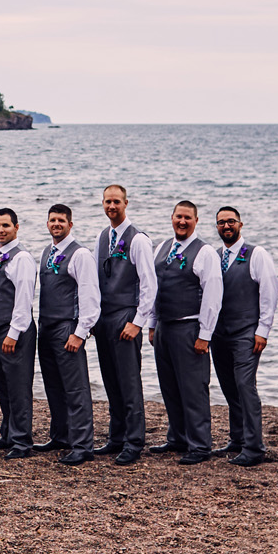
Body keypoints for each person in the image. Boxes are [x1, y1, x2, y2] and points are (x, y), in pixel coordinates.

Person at [144, 200, 222, 466]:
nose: (182, 222)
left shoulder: (205, 252)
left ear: (196, 221)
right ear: (172, 217)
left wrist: (205, 335)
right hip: (165, 326)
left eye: (188, 218)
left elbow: (213, 296)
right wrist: (152, 324)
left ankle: (200, 444)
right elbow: (153, 288)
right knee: (170, 386)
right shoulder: (162, 248)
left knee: (193, 388)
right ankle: (177, 437)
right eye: (179, 217)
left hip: (189, 327)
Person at [92, 185, 157, 466]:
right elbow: (95, 279)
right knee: (110, 380)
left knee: (129, 382)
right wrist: (92, 317)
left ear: (126, 203)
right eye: (107, 202)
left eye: (116, 201)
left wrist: (138, 322)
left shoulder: (138, 239)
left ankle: (134, 441)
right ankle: (116, 436)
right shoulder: (102, 237)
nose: (112, 206)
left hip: (126, 316)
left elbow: (149, 284)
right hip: (105, 317)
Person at [213, 206, 278, 466]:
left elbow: (269, 292)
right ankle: (237, 439)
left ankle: (254, 446)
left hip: (246, 333)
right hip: (219, 333)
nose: (226, 226)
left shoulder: (256, 254)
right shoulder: (214, 255)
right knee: (229, 387)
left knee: (245, 386)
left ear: (240, 224)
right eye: (221, 223)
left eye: (231, 222)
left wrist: (263, 330)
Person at [35, 204, 98, 465]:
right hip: (46, 326)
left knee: (76, 388)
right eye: (52, 220)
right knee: (54, 386)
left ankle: (83, 445)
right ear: (47, 224)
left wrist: (80, 332)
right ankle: (60, 435)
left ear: (70, 224)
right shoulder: (46, 252)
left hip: (67, 327)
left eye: (61, 220)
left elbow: (90, 297)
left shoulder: (80, 254)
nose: (56, 224)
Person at [0, 208, 38, 459]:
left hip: (14, 329)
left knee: (18, 386)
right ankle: (7, 434)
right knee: (2, 385)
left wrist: (14, 332)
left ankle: (22, 441)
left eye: (6, 225)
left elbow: (23, 297)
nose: (1, 230)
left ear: (17, 227)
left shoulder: (22, 258)